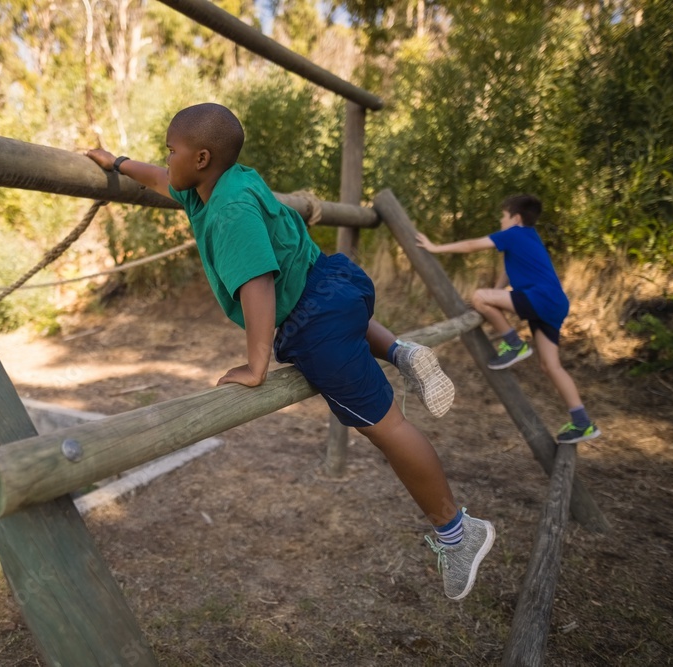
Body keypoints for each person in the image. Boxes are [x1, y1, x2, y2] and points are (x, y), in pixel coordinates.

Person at [86, 102, 494, 600]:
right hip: (338, 283)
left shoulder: (229, 211)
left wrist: (257, 365)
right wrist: (119, 162)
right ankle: (400, 351)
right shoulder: (227, 180)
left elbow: (258, 283)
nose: (165, 158)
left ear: (201, 158)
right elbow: (159, 178)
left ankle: (457, 531)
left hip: (316, 326)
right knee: (340, 315)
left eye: (171, 150)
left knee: (389, 429)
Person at [415, 194, 601, 445]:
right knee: (551, 366)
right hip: (554, 303)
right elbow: (508, 270)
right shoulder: (529, 238)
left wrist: (435, 248)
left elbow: (471, 245)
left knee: (479, 296)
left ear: (516, 218)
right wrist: (497, 293)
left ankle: (513, 343)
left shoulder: (514, 233)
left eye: (503, 216)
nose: (501, 221)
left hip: (540, 298)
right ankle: (582, 422)